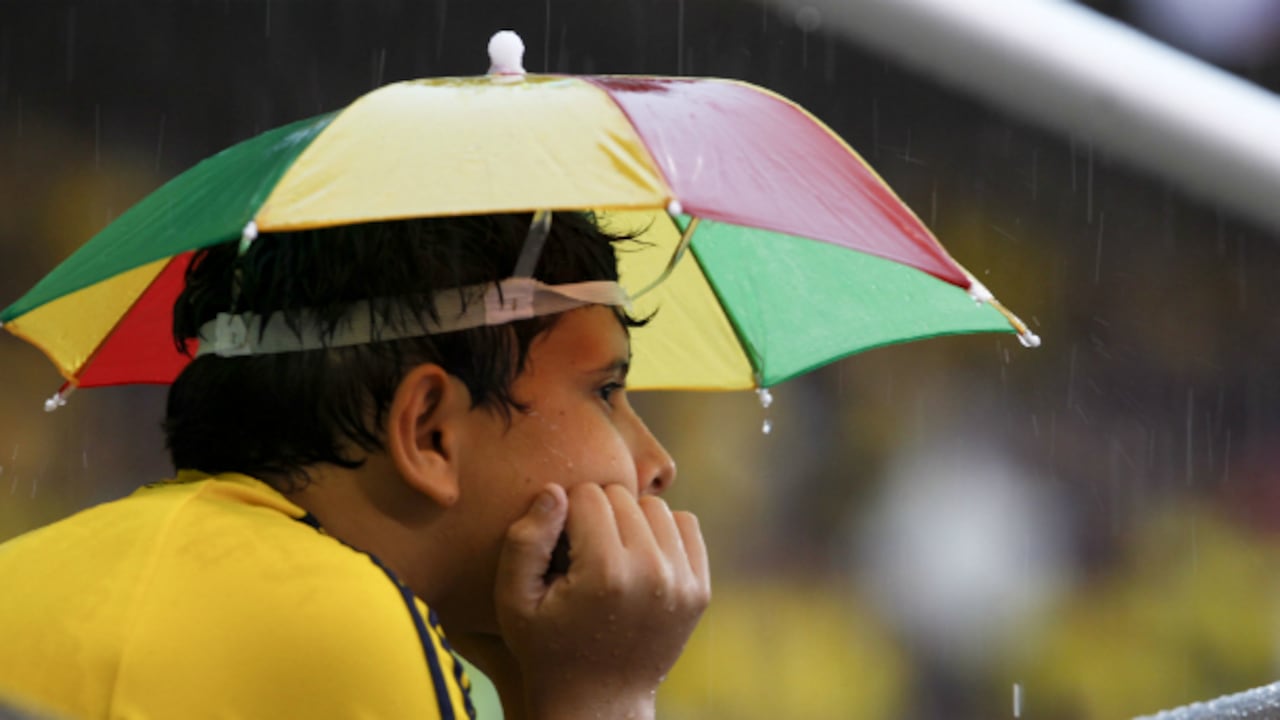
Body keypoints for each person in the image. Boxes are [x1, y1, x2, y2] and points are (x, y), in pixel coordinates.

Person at [0, 211, 711, 719]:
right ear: (429, 432)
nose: (657, 463)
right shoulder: (339, 627)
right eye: (607, 392)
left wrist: (535, 685)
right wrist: (604, 697)